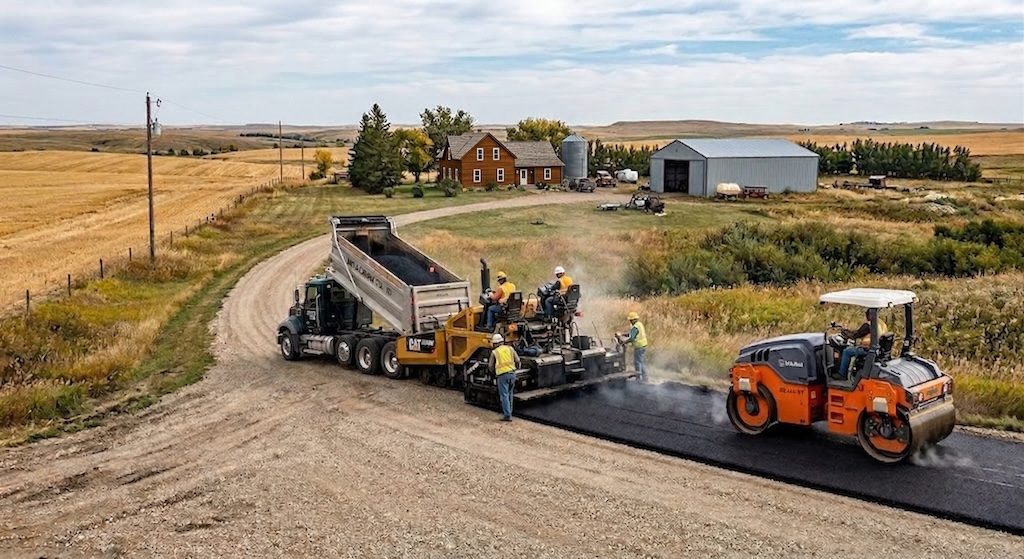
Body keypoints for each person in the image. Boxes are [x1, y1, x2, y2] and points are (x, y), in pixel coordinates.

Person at [836, 309, 888, 380]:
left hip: (867, 349)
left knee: (846, 351)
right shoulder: (882, 323)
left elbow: (855, 335)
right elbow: (860, 332)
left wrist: (845, 332)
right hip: (878, 349)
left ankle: (842, 374)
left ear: (869, 315)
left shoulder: (869, 325)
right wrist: (849, 331)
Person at [488, 333, 520, 421]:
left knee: (504, 395)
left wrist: (494, 373)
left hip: (502, 376)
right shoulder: (510, 349)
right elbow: (518, 360)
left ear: (495, 343)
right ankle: (510, 412)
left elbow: (490, 366)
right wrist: (515, 369)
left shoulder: (494, 352)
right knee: (510, 394)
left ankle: (507, 415)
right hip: (512, 374)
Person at [617, 311, 648, 382]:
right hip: (643, 345)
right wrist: (623, 334)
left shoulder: (635, 327)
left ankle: (638, 378)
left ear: (634, 319)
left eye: (631, 320)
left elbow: (632, 338)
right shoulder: (639, 324)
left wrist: (623, 342)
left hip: (639, 346)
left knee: (638, 362)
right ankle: (645, 378)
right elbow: (631, 334)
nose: (630, 321)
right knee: (641, 362)